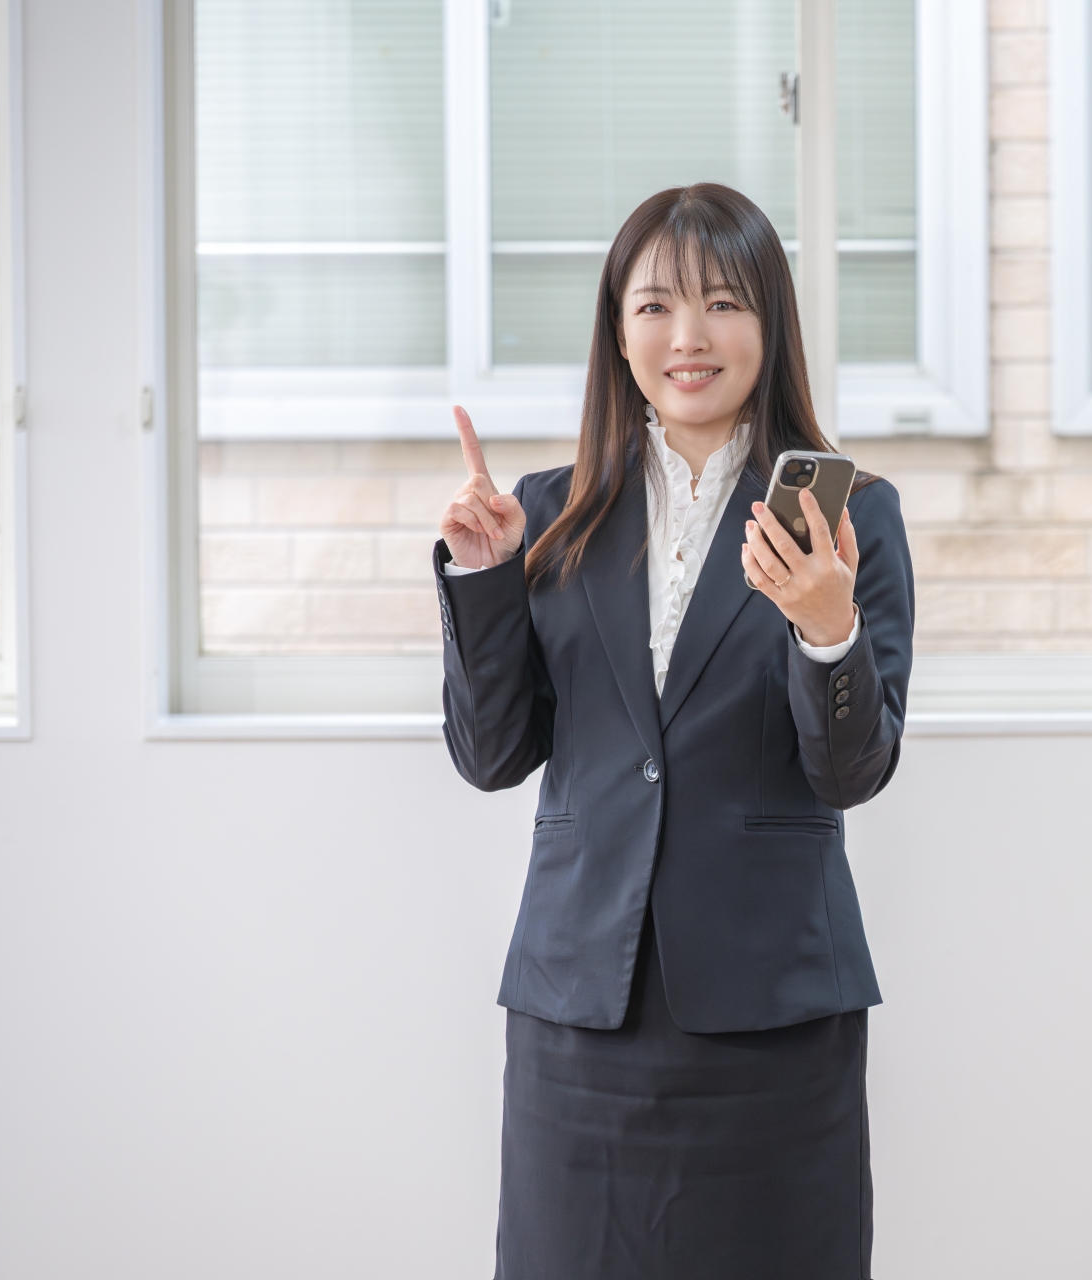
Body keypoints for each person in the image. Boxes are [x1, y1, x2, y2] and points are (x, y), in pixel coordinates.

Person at [433, 182, 914, 1280]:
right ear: (618, 330)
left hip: (770, 1013)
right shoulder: (549, 510)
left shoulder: (849, 518)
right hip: (580, 1011)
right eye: (655, 306)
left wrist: (827, 626)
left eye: (723, 303)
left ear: (771, 324)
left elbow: (852, 771)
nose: (687, 336)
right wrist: (486, 578)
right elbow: (492, 756)